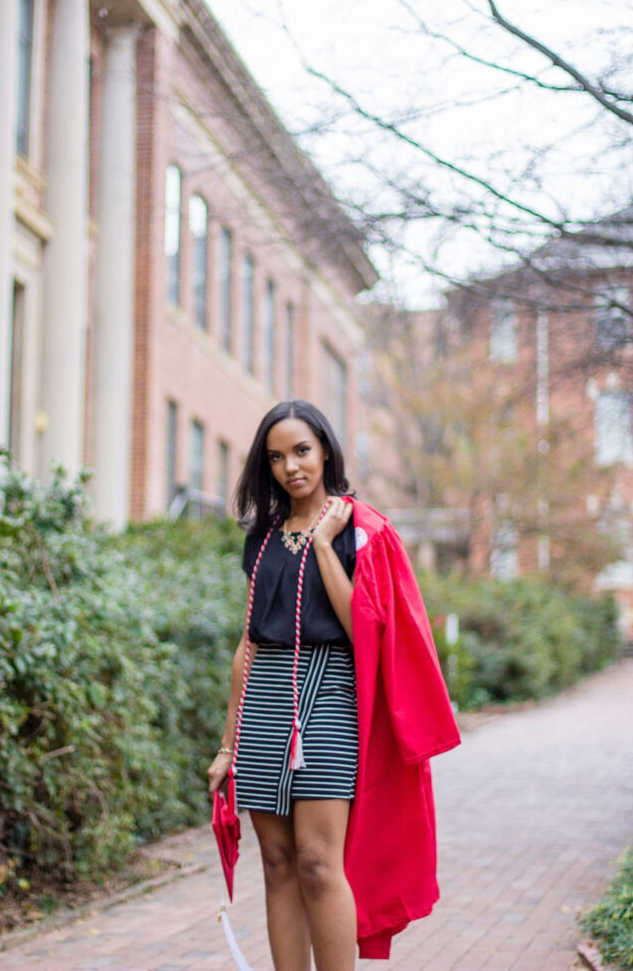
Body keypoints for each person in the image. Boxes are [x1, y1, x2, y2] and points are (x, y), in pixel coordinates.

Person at [208, 400, 460, 970]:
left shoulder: (360, 531)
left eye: (301, 451)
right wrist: (228, 744)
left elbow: (363, 630)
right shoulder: (263, 537)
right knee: (276, 862)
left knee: (319, 861)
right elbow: (246, 644)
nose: (291, 467)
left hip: (329, 697)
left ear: (324, 449)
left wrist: (324, 546)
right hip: (265, 700)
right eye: (276, 457)